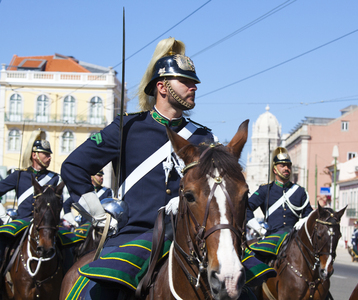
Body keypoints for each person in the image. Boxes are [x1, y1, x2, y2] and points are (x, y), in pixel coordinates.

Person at [60, 37, 227, 299]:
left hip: (193, 239)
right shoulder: (127, 128)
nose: (194, 86)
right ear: (162, 87)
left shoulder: (204, 138)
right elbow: (73, 167)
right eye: (185, 81)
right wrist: (99, 215)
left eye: (193, 81)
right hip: (135, 234)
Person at [0, 130, 61, 265]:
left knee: (66, 247)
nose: (49, 157)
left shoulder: (54, 178)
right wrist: (4, 217)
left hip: (46, 225)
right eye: (45, 154)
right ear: (35, 155)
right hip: (23, 222)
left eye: (49, 154)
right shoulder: (19, 175)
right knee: (2, 242)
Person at [246, 147, 313, 238]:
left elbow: (309, 215)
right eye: (282, 165)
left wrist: (303, 222)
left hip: (294, 238)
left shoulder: (300, 191)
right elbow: (247, 208)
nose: (286, 168)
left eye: (288, 165)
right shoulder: (265, 190)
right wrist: (259, 229)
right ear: (274, 170)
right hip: (271, 237)